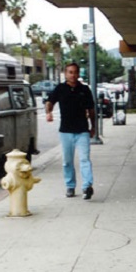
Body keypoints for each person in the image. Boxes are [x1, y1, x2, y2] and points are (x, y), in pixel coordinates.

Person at [45, 62, 96, 200]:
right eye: (70, 72)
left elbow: (91, 110)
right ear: (65, 74)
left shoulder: (84, 89)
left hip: (82, 130)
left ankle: (87, 186)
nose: (73, 75)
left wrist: (93, 127)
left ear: (79, 74)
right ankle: (70, 186)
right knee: (67, 161)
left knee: (84, 159)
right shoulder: (60, 89)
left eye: (75, 72)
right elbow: (50, 102)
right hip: (66, 131)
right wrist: (48, 112)